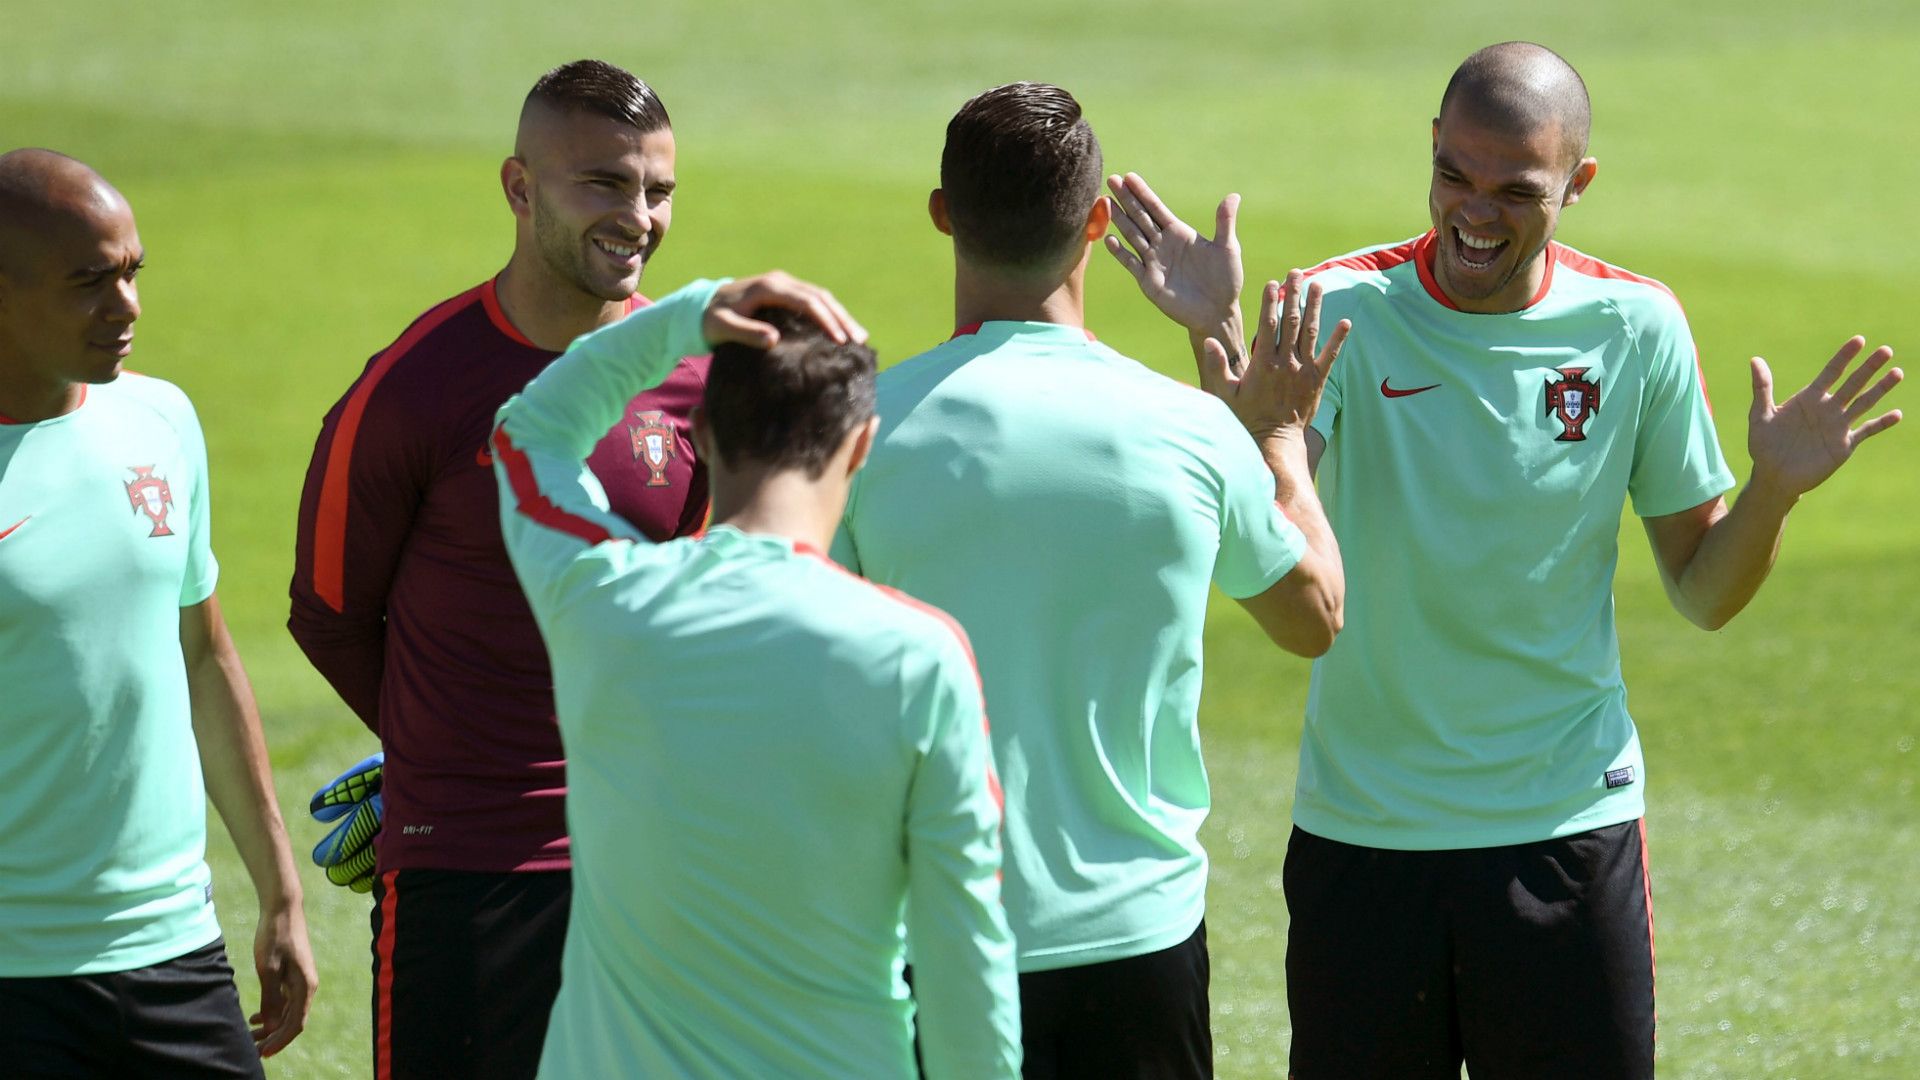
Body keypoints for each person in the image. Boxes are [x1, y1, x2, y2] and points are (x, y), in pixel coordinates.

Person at [1105, 40, 1903, 1079]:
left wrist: (1774, 491)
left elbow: (1706, 589)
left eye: (1516, 190)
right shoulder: (1337, 311)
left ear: (1579, 181)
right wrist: (1216, 343)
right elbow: (1266, 537)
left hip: (1566, 830)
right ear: (1432, 147)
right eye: (1454, 175)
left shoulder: (1634, 326)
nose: (1475, 212)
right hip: (1366, 835)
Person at [832, 82, 1347, 1079]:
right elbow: (1314, 616)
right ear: (1098, 220)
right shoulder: (1194, 433)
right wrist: (1278, 435)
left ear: (943, 214)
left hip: (933, 942)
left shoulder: (855, 437)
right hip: (1137, 946)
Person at [490, 271, 1021, 1078]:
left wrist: (686, 317)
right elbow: (964, 952)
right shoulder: (920, 654)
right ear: (862, 444)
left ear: (700, 434)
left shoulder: (604, 601)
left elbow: (530, 432)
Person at [286, 60, 706, 1078]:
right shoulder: (414, 386)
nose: (639, 217)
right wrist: (437, 746)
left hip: (648, 859)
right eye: (603, 183)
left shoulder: (695, 377)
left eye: (657, 190)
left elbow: (714, 604)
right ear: (520, 188)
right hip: (466, 864)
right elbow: (330, 612)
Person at [0, 148, 316, 1077]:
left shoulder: (161, 421)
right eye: (89, 281)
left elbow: (202, 655)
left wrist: (280, 888)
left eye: (132, 271)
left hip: (174, 948)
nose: (127, 305)